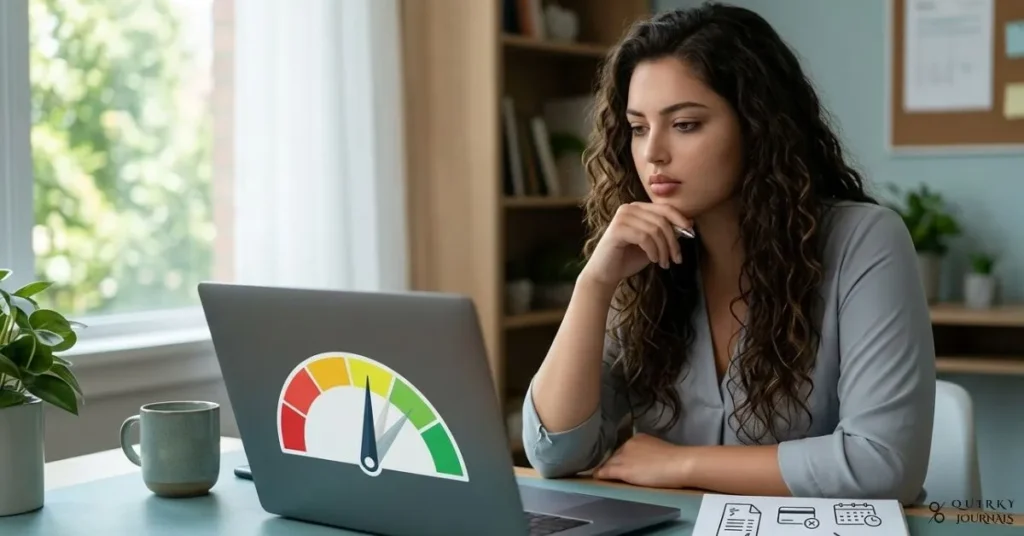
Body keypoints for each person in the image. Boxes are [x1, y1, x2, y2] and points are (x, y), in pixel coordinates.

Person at [521, 2, 935, 505]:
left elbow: (882, 465)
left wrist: (680, 463)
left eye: (686, 124)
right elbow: (556, 453)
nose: (653, 153)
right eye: (638, 127)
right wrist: (594, 284)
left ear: (757, 127)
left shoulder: (865, 242)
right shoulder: (644, 261)